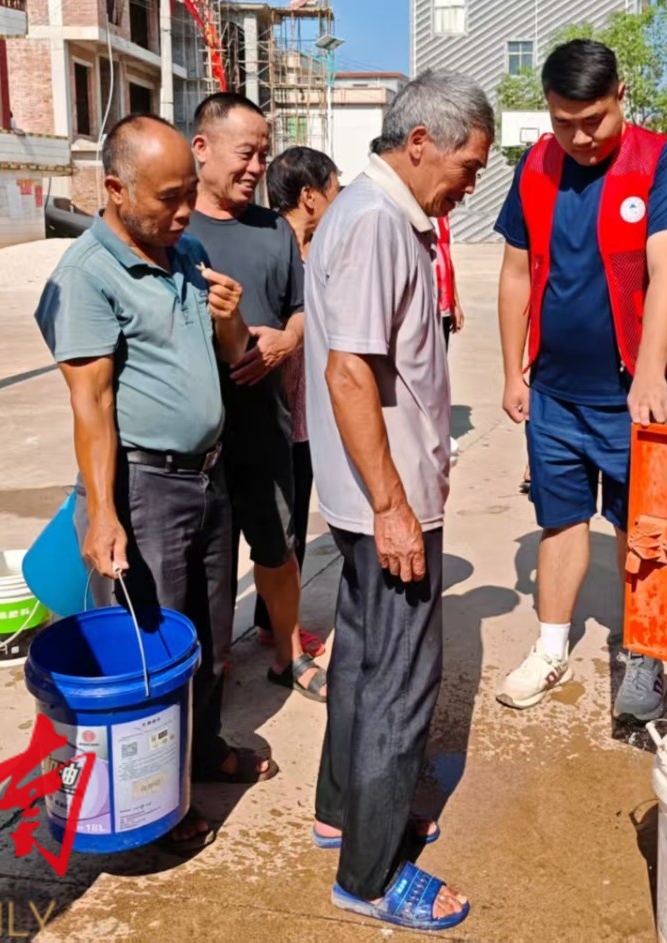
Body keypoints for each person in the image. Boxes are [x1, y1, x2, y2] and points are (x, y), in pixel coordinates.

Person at [36, 113, 273, 856]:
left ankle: (201, 753)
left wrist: (231, 322)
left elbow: (231, 356)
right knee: (147, 651)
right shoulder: (86, 276)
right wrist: (105, 512)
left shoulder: (187, 252)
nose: (184, 212)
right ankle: (145, 808)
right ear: (115, 188)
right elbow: (92, 404)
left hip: (205, 477)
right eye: (169, 198)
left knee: (206, 634)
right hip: (142, 487)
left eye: (188, 195)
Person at [307, 71, 491, 931]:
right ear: (420, 141)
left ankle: (344, 810)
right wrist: (391, 504)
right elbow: (348, 371)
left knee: (362, 656)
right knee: (401, 680)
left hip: (371, 490)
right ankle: (372, 873)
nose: (469, 184)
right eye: (467, 165)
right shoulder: (378, 220)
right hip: (389, 495)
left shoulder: (373, 213)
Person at [494, 39, 667, 723]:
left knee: (642, 528)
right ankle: (551, 647)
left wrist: (650, 373)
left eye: (594, 120)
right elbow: (516, 273)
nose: (580, 138)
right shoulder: (534, 166)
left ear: (621, 96)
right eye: (564, 122)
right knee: (560, 519)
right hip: (553, 390)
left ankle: (646, 652)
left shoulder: (660, 163)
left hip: (627, 389)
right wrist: (512, 370)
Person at [187, 93, 325, 702]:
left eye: (263, 155)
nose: (257, 168)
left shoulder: (274, 230)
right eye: (246, 153)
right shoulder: (173, 228)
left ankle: (287, 653)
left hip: (265, 424)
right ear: (202, 148)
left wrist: (285, 342)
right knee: (202, 562)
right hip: (197, 436)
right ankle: (203, 669)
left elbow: (302, 311)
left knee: (278, 547)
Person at [266, 145, 342, 594]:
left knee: (294, 513)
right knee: (274, 524)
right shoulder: (270, 248)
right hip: (272, 409)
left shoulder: (324, 248)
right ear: (310, 196)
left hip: (309, 411)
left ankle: (280, 620)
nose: (339, 200)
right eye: (334, 189)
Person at [432, 215, 463, 463]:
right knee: (427, 372)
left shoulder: (443, 218)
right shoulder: (414, 216)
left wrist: (456, 303)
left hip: (443, 306)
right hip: (425, 307)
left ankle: (440, 430)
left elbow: (447, 258)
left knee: (440, 371)